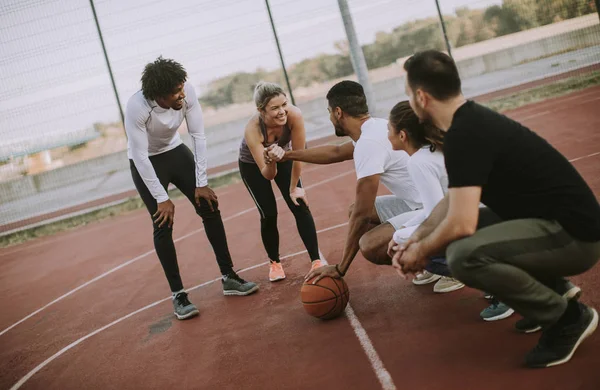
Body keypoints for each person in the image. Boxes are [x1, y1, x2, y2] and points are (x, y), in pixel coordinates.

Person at [392, 49, 600, 367]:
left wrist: (420, 252)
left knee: (463, 255)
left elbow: (460, 223)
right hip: (553, 223)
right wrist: (418, 238)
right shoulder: (468, 123)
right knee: (464, 234)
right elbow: (453, 202)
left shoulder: (466, 133)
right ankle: (554, 291)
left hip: (576, 236)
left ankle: (567, 318)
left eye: (408, 94)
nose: (409, 102)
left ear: (421, 97)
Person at [125, 57, 258, 320]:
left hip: (175, 151)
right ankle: (178, 295)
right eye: (175, 92)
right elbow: (140, 156)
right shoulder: (137, 107)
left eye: (182, 87)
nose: (182, 94)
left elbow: (198, 136)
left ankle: (229, 277)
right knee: (162, 223)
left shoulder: (187, 94)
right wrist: (162, 198)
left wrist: (201, 182)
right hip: (147, 161)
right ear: (158, 95)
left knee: (209, 206)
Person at [268, 81, 423, 283]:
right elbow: (336, 152)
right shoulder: (374, 128)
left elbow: (362, 213)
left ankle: (439, 260)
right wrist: (286, 156)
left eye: (330, 112)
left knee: (369, 244)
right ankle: (427, 254)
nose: (330, 117)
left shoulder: (369, 143)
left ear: (338, 112)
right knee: (355, 213)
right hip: (420, 202)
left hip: (435, 209)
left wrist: (341, 268)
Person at [356, 100, 464, 294]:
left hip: (469, 222)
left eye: (389, 129)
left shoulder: (420, 162)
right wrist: (405, 228)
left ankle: (481, 277)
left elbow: (435, 216)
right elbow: (437, 209)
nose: (386, 134)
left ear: (402, 135)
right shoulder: (430, 151)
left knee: (404, 248)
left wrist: (399, 237)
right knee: (406, 237)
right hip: (471, 213)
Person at [238, 82, 323, 282]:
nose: (282, 111)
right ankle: (274, 263)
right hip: (255, 166)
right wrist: (271, 159)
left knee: (299, 203)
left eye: (284, 104)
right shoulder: (253, 130)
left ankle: (316, 261)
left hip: (284, 156)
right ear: (261, 110)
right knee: (268, 213)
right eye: (274, 108)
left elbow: (299, 154)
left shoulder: (294, 115)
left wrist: (294, 188)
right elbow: (267, 174)